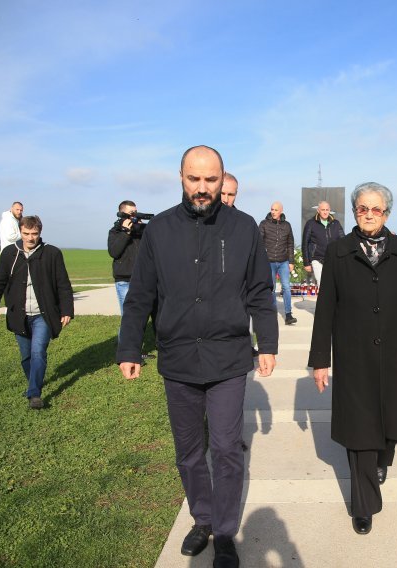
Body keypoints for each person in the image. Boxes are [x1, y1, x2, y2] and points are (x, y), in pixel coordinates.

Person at [116, 145, 278, 568]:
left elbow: (260, 291)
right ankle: (201, 518)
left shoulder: (244, 229)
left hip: (228, 358)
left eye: (211, 180)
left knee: (225, 448)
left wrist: (269, 343)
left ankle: (224, 532)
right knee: (188, 451)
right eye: (194, 179)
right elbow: (140, 297)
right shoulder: (159, 231)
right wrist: (130, 347)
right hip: (179, 359)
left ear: (223, 179)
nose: (203, 188)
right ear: (181, 178)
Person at [308, 182, 397, 536]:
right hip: (354, 356)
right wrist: (321, 359)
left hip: (394, 354)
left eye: (375, 209)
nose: (368, 214)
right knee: (359, 429)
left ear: (387, 213)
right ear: (354, 211)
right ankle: (364, 504)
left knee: (391, 423)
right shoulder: (338, 252)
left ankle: (384, 454)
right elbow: (326, 309)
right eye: (362, 208)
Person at [0, 215, 74, 409]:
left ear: (40, 233)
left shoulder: (52, 253)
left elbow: (63, 284)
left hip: (43, 315)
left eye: (34, 233)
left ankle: (34, 393)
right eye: (26, 233)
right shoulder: (10, 253)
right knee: (26, 356)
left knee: (37, 352)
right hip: (19, 314)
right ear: (20, 232)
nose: (30, 238)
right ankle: (34, 381)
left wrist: (67, 309)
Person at [259, 202, 297, 325]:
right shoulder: (264, 224)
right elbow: (258, 242)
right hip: (268, 262)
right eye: (272, 209)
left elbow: (290, 244)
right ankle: (272, 313)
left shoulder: (287, 225)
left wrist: (291, 261)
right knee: (271, 289)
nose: (273, 212)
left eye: (276, 210)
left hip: (283, 261)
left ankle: (288, 315)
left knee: (286, 287)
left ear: (281, 211)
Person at [107, 200, 147, 315]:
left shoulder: (140, 232)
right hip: (124, 281)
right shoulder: (115, 231)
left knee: (143, 314)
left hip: (142, 279)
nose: (134, 215)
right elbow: (114, 252)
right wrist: (125, 233)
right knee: (128, 317)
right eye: (131, 212)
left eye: (136, 212)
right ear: (122, 214)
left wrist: (142, 228)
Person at [302, 200, 345, 288]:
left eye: (327, 210)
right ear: (318, 210)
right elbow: (305, 243)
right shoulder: (310, 223)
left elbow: (343, 241)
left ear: (329, 210)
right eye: (323, 210)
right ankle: (323, 301)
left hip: (332, 259)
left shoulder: (336, 223)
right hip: (317, 259)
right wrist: (306, 263)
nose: (325, 212)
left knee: (334, 284)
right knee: (322, 283)